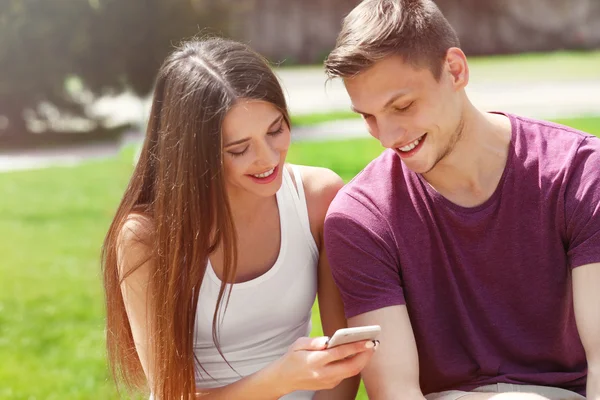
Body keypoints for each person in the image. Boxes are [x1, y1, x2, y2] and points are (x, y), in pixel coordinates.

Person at [322, 1, 600, 399]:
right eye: (368, 116)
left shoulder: (580, 172)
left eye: (402, 106)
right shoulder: (361, 217)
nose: (387, 137)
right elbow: (396, 391)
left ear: (455, 70)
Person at [101, 37, 376, 400]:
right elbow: (171, 396)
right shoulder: (145, 237)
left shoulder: (317, 197)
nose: (267, 158)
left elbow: (342, 371)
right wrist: (279, 380)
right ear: (194, 155)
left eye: (275, 130)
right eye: (239, 149)